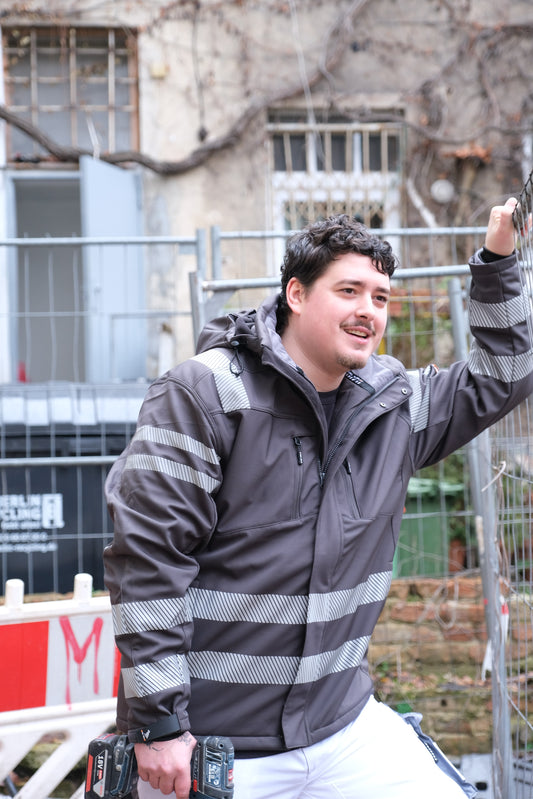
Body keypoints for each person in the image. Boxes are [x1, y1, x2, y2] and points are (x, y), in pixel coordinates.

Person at [104, 197, 533, 799]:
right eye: (349, 291)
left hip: (341, 730)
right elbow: (149, 558)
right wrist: (160, 725)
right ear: (296, 294)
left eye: (380, 298)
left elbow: (505, 373)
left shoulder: (394, 408)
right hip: (213, 745)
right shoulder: (203, 394)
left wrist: (497, 257)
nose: (368, 312)